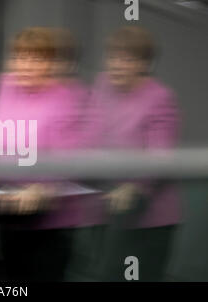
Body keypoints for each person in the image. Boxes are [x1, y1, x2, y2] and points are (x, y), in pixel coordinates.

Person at [0, 27, 93, 281]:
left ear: (52, 63)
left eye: (37, 58)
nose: (26, 65)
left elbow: (72, 158)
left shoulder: (69, 96)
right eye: (21, 57)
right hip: (6, 207)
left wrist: (41, 189)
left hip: (51, 217)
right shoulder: (5, 85)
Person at [89, 26, 181, 281]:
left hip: (150, 217)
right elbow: (91, 134)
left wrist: (135, 186)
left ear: (144, 64)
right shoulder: (102, 85)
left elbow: (160, 157)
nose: (117, 65)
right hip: (107, 206)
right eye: (113, 57)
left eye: (127, 59)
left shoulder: (159, 97)